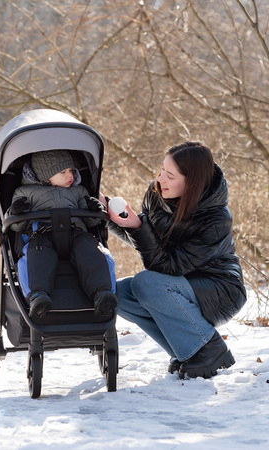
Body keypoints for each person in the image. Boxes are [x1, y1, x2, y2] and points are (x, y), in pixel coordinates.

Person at [103, 141, 246, 379]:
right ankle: (187, 352)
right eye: (161, 171)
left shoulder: (216, 219)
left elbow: (167, 266)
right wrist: (107, 213)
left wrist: (139, 227)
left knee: (145, 283)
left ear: (192, 182)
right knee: (118, 294)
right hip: (177, 286)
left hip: (219, 289)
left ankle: (210, 349)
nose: (160, 179)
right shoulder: (157, 192)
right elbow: (147, 242)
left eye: (170, 175)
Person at [6, 149, 117, 320]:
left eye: (71, 170)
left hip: (77, 233)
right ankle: (38, 296)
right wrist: (16, 211)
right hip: (41, 235)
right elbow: (16, 225)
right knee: (38, 255)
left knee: (91, 250)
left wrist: (93, 209)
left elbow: (91, 222)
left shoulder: (78, 191)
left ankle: (102, 293)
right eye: (63, 172)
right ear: (46, 176)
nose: (70, 176)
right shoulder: (25, 192)